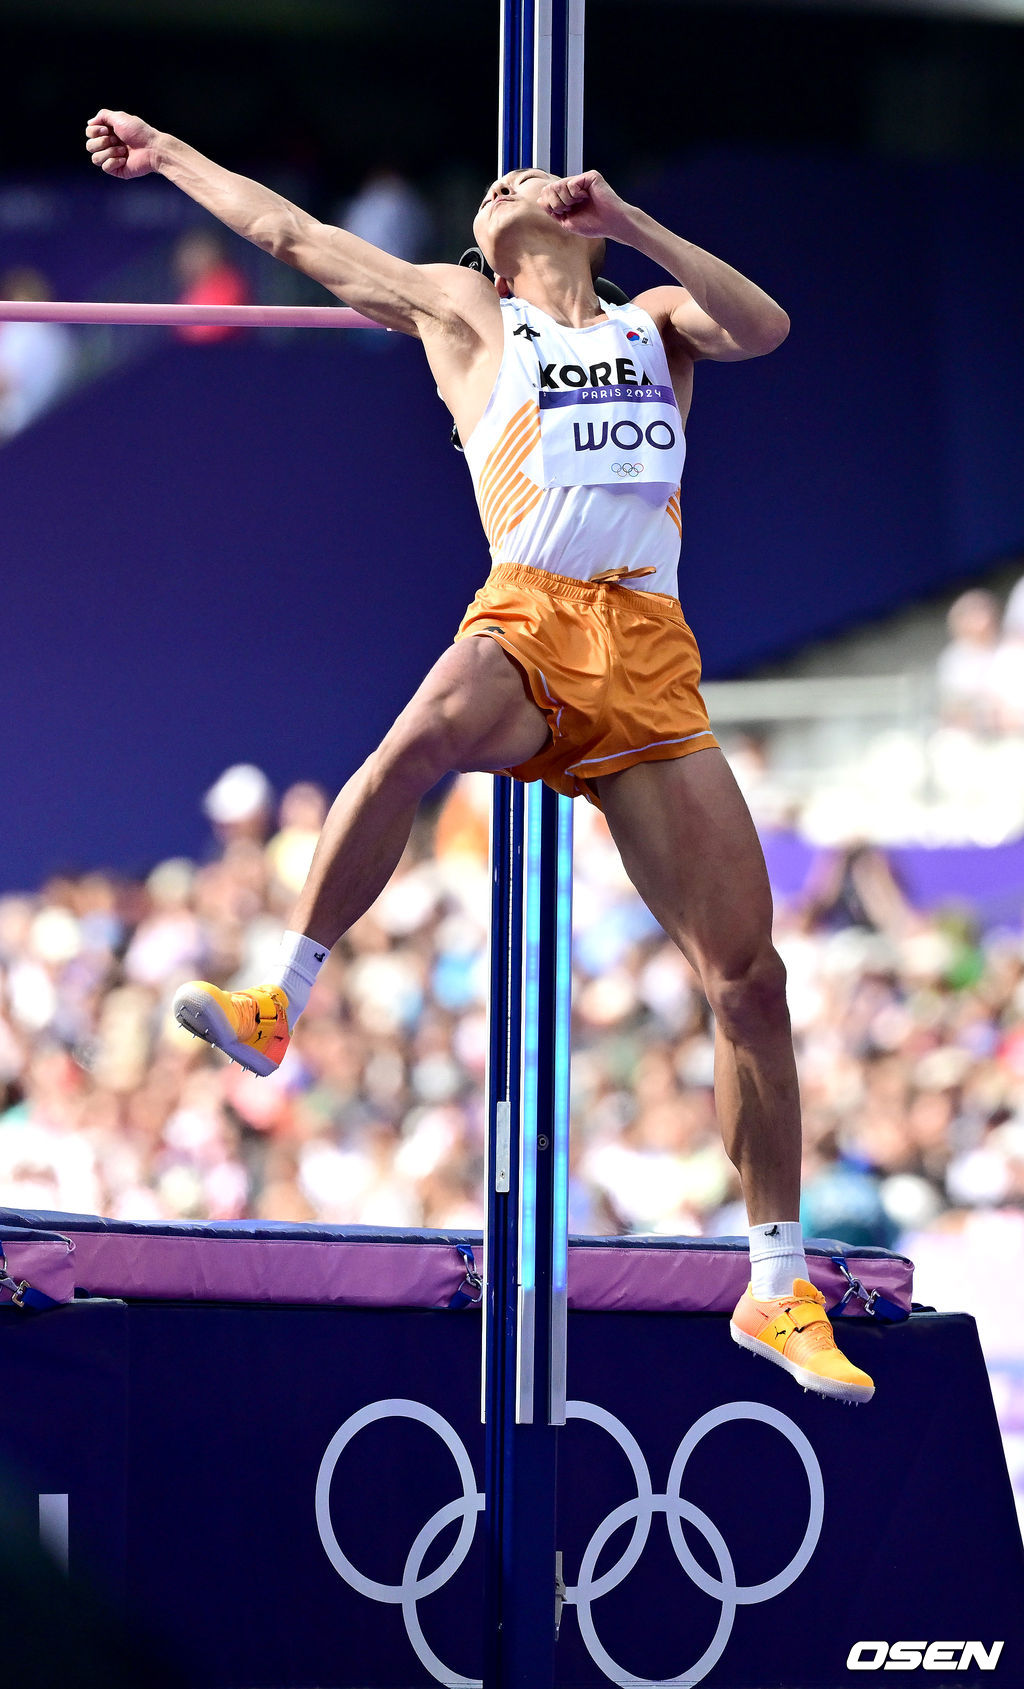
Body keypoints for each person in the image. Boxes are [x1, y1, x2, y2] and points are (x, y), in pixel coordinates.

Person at [85, 107, 873, 1404]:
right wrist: (170, 156)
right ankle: (279, 994)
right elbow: (290, 231)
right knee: (413, 743)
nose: (510, 181)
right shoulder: (467, 315)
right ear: (494, 255)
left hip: (651, 648)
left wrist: (627, 223)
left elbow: (766, 329)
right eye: (494, 187)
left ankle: (775, 1283)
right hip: (530, 614)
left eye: (526, 177)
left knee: (751, 982)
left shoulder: (654, 321)